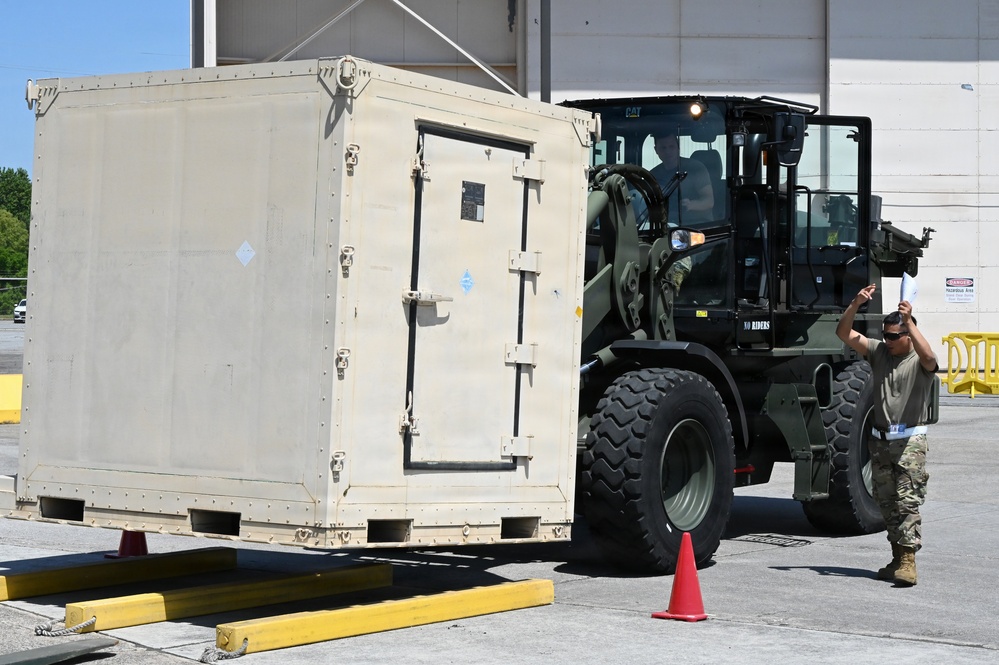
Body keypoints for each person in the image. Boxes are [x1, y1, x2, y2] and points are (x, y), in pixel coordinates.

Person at [836, 283, 938, 586]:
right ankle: (897, 557)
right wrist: (855, 303)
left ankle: (908, 561)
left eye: (894, 336)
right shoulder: (880, 352)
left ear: (908, 334)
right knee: (886, 502)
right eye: (885, 335)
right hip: (881, 441)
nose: (887, 340)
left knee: (907, 501)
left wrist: (909, 321)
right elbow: (844, 333)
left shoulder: (919, 360)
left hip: (909, 442)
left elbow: (930, 357)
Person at [648, 133, 714, 225]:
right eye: (663, 148)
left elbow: (709, 201)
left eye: (671, 147)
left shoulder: (695, 168)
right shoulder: (653, 175)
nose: (668, 151)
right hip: (664, 225)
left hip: (698, 225)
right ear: (656, 150)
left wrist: (690, 205)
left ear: (678, 147)